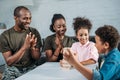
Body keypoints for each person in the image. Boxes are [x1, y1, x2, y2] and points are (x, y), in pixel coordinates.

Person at [0, 6, 42, 79]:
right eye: (25, 18)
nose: (28, 21)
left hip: (30, 67)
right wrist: (25, 47)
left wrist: (32, 48)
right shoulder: (5, 36)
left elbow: (37, 57)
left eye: (30, 18)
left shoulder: (34, 32)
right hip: (13, 69)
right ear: (15, 18)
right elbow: (9, 62)